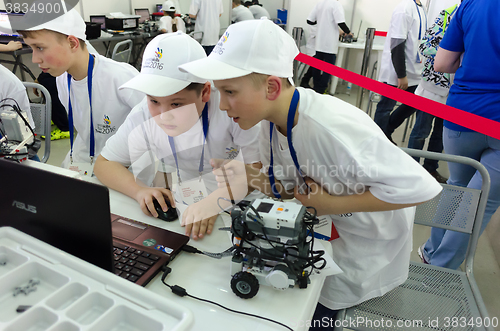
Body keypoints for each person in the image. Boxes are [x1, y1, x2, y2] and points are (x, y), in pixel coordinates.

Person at [179, 19, 442, 326]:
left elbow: (421, 188)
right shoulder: (268, 123)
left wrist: (333, 205)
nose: (223, 106)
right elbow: (291, 189)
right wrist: (251, 179)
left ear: (272, 86)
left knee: (313, 315)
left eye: (230, 92)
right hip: (324, 235)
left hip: (368, 248)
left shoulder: (333, 128)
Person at [94, 32, 261, 240]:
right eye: (154, 101)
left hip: (244, 207)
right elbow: (104, 163)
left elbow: (257, 171)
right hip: (187, 206)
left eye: (176, 104)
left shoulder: (233, 111)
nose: (164, 116)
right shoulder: (143, 113)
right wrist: (139, 191)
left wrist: (214, 202)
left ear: (205, 92)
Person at [419, 0, 500, 270]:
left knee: (457, 186)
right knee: (480, 201)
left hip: (462, 113)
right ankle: (442, 269)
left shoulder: (471, 3)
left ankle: (431, 252)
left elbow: (441, 62)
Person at [18, 9, 144, 174]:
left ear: (72, 43)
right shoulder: (63, 79)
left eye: (40, 48)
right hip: (87, 162)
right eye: (31, 48)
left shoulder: (121, 78)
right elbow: (85, 133)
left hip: (125, 170)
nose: (34, 59)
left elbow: (155, 134)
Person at [407, 2, 460, 184]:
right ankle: (411, 169)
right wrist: (450, 53)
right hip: (433, 87)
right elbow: (425, 47)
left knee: (440, 135)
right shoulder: (447, 15)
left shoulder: (473, 18)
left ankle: (430, 169)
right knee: (421, 130)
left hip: (453, 91)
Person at [374, 0, 427, 144]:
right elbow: (397, 43)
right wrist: (401, 74)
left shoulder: (420, 8)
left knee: (415, 103)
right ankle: (377, 141)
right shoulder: (404, 8)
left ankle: (386, 131)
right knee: (385, 107)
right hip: (397, 70)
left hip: (413, 70)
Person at [306, 0, 352, 94]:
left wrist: (321, 26)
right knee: (328, 69)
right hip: (329, 43)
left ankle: (316, 88)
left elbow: (310, 20)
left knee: (317, 67)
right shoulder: (336, 4)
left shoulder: (320, 3)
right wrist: (348, 32)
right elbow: (341, 22)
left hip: (319, 42)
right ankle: (322, 89)